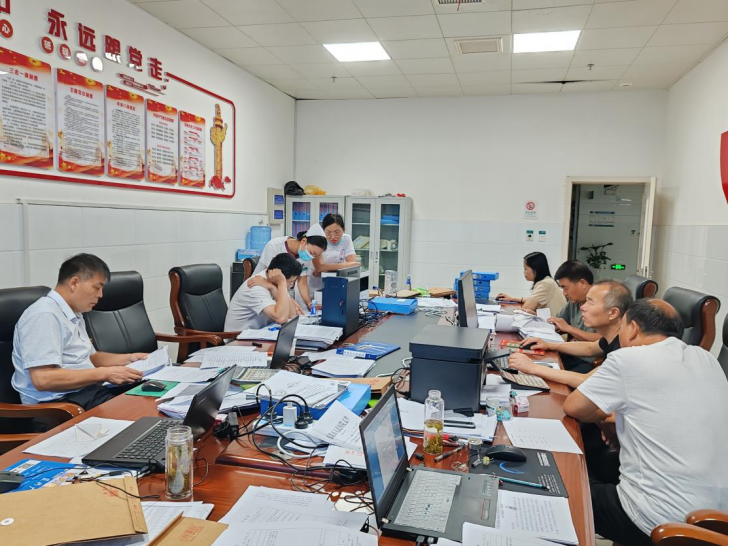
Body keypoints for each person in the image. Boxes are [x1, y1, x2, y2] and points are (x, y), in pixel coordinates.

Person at [564, 299, 728, 546]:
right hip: (718, 520)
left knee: (560, 484)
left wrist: (604, 418)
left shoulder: (628, 358)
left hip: (661, 521)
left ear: (632, 328)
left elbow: (574, 407)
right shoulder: (706, 358)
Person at [12, 254, 149, 411]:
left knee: (152, 395)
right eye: (97, 287)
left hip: (87, 391)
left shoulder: (73, 313)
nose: (100, 295)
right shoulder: (44, 315)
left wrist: (129, 359)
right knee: (139, 412)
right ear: (74, 283)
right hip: (59, 404)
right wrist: (104, 374)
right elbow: (43, 379)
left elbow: (91, 358)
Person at [510, 280, 632, 380]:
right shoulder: (614, 337)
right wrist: (548, 345)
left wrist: (533, 368)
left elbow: (585, 380)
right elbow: (590, 348)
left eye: (590, 303)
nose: (583, 308)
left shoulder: (624, 349)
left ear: (613, 313)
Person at [226, 253, 303, 332]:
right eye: (290, 282)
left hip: (258, 332)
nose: (291, 285)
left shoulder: (273, 282)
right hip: (237, 336)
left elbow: (291, 315)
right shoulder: (255, 287)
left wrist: (273, 288)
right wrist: (282, 283)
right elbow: (281, 318)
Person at [252, 231, 327, 310]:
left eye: (315, 256)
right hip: (260, 287)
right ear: (303, 241)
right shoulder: (275, 245)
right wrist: (289, 301)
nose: (311, 257)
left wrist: (309, 304)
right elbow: (271, 276)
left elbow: (302, 283)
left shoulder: (304, 255)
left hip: (278, 291)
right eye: (312, 252)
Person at [496, 252, 566, 317]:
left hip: (554, 325)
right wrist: (512, 299)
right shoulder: (547, 281)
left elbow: (525, 309)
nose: (524, 272)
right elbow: (533, 300)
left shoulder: (545, 284)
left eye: (525, 268)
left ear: (535, 269)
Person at [308, 214, 360, 293]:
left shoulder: (346, 239)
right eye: (328, 233)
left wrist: (325, 268)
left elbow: (351, 264)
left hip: (335, 283)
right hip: (314, 284)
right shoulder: (318, 240)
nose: (333, 237)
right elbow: (319, 267)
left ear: (343, 229)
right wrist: (344, 265)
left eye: (337, 232)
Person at [551, 261, 600, 342]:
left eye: (565, 288)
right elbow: (559, 323)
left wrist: (569, 329)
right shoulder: (574, 302)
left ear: (582, 283)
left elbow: (604, 339)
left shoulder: (603, 303)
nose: (564, 293)